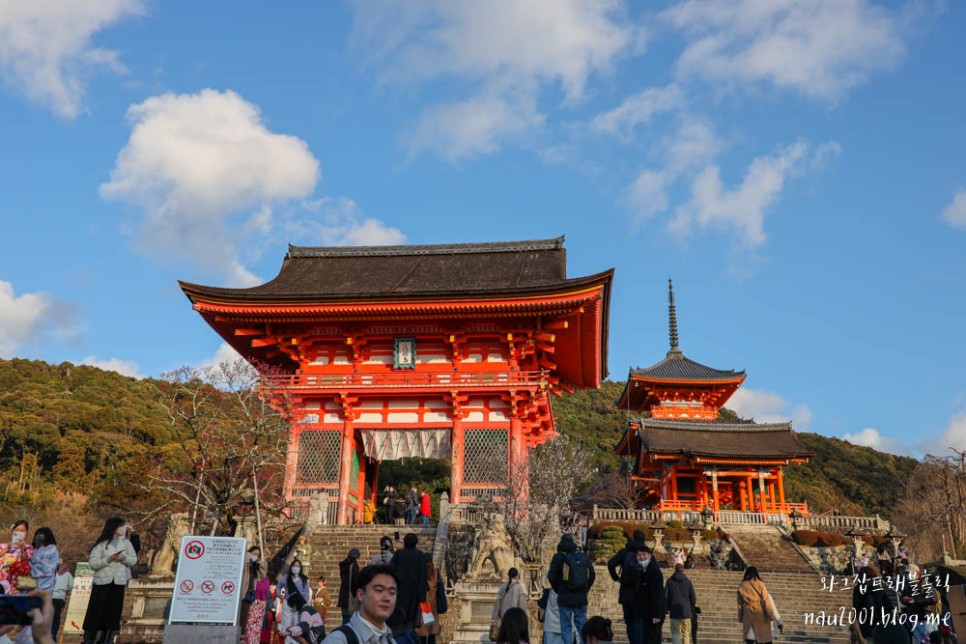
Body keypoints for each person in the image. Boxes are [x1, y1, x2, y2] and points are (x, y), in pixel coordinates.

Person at [82, 518, 137, 644]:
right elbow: (93, 563)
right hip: (102, 583)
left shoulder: (126, 544)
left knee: (113, 613)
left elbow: (133, 560)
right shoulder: (102, 544)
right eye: (121, 526)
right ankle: (92, 638)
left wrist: (123, 558)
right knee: (97, 612)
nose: (123, 528)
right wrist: (108, 559)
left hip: (117, 583)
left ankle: (108, 638)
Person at [321, 564, 399, 644]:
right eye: (379, 590)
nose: (386, 598)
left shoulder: (391, 640)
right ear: (361, 595)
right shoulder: (338, 640)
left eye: (392, 593)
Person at [547, 533, 594, 644]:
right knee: (581, 623)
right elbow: (592, 574)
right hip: (581, 598)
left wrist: (559, 589)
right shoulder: (583, 557)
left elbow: (551, 576)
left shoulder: (558, 557)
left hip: (564, 597)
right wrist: (585, 589)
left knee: (566, 625)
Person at [607, 530, 644, 644]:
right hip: (640, 592)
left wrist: (616, 578)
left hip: (626, 590)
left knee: (629, 621)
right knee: (639, 621)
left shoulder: (624, 552)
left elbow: (611, 563)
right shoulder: (645, 553)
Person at [389, 533, 427, 634]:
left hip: (399, 592)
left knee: (398, 619)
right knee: (410, 621)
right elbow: (423, 576)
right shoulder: (420, 555)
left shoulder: (398, 554)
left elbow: (391, 570)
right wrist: (422, 595)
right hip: (414, 594)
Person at [737, 567, 782, 644]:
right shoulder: (760, 584)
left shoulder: (742, 585)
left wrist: (741, 618)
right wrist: (771, 616)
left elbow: (740, 605)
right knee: (762, 638)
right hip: (760, 614)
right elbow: (766, 600)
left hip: (748, 614)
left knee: (750, 638)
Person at [631, 546, 665, 644]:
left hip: (654, 612)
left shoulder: (654, 571)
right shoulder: (642, 570)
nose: (641, 557)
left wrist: (656, 614)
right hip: (646, 611)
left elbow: (657, 593)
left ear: (649, 556)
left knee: (652, 638)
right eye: (639, 555)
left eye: (644, 555)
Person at [899, 565, 935, 644]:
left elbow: (933, 599)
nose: (908, 576)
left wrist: (915, 601)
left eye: (910, 573)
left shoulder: (925, 584)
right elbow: (902, 597)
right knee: (921, 641)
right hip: (913, 618)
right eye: (906, 574)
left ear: (918, 573)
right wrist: (904, 599)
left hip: (925, 618)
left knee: (930, 640)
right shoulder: (908, 585)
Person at [280, 559, 313, 644]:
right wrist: (279, 595)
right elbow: (279, 586)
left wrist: (304, 603)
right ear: (291, 567)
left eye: (298, 566)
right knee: (286, 624)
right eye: (294, 566)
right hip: (288, 602)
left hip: (299, 604)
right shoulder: (286, 577)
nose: (296, 568)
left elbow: (306, 592)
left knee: (297, 624)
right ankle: (286, 642)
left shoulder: (304, 579)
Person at [665, 564, 696, 644]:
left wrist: (667, 608)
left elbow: (666, 596)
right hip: (686, 610)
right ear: (683, 570)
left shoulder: (669, 581)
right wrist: (691, 605)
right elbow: (693, 597)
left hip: (674, 610)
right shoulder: (688, 582)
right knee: (686, 633)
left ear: (675, 570)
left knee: (675, 632)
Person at [0, 520, 33, 595]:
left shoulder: (28, 548)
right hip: (2, 582)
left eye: (22, 530)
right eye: (17, 530)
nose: (19, 532)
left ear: (26, 533)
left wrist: (22, 549)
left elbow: (26, 562)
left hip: (17, 585)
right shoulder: (2, 546)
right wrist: (7, 548)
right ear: (12, 531)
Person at [416, 552, 442, 644]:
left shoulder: (419, 572)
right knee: (432, 633)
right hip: (433, 607)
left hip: (422, 606)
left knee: (422, 634)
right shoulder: (436, 572)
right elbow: (440, 588)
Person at [242, 546, 268, 636]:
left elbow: (262, 575)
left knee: (245, 616)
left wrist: (259, 562)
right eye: (254, 553)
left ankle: (242, 635)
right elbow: (244, 562)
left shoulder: (255, 567)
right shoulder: (245, 563)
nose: (256, 556)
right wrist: (248, 556)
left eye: (258, 554)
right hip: (242, 592)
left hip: (250, 593)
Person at [245, 576, 271, 644]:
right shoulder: (264, 579)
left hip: (256, 602)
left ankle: (251, 641)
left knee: (253, 627)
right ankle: (252, 641)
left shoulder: (262, 578)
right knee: (253, 627)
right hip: (258, 603)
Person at [51, 559, 74, 638]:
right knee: (56, 618)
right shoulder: (67, 573)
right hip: (59, 598)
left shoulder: (50, 572)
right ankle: (53, 635)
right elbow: (71, 585)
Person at [338, 549, 361, 624]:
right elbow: (355, 583)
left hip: (343, 597)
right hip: (350, 598)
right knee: (350, 621)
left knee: (345, 619)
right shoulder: (353, 566)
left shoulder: (343, 566)